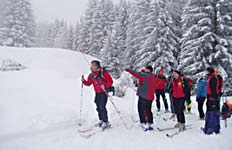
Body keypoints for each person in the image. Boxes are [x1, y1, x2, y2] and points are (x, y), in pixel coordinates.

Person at [82, 60, 113, 130]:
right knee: (98, 107)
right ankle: (101, 120)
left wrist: (104, 85)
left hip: (103, 93)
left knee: (102, 107)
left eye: (93, 65)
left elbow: (110, 81)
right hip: (97, 93)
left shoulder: (103, 73)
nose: (91, 66)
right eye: (91, 65)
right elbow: (88, 83)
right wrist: (83, 81)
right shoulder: (91, 75)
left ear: (97, 66)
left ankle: (106, 122)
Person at [125, 66, 157, 131]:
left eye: (145, 69)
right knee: (148, 110)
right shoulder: (153, 76)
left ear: (148, 70)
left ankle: (144, 123)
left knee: (141, 110)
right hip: (150, 97)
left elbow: (136, 74)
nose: (144, 69)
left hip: (143, 96)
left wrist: (128, 70)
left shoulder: (145, 75)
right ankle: (150, 122)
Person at [202, 67, 220, 134]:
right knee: (209, 112)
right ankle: (208, 127)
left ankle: (212, 129)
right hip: (210, 97)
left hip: (212, 98)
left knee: (212, 113)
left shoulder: (213, 78)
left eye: (207, 71)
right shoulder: (210, 77)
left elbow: (214, 89)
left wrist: (213, 97)